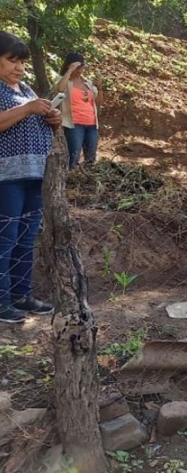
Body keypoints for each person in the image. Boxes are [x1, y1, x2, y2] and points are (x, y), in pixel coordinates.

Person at [0, 32, 62, 323]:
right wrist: (27, 109)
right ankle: (2, 302)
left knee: (26, 239)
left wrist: (52, 119)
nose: (19, 67)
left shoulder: (24, 88)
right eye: (12, 61)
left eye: (22, 62)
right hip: (6, 178)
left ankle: (22, 295)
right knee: (5, 239)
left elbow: (31, 122)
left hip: (34, 175)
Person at [55, 52, 103, 170]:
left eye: (81, 67)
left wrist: (100, 88)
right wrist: (70, 71)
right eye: (77, 67)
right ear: (69, 66)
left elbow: (99, 102)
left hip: (92, 124)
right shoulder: (64, 80)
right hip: (74, 124)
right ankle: (71, 180)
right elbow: (60, 89)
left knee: (91, 157)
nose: (79, 70)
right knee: (74, 155)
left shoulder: (88, 83)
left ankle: (88, 181)